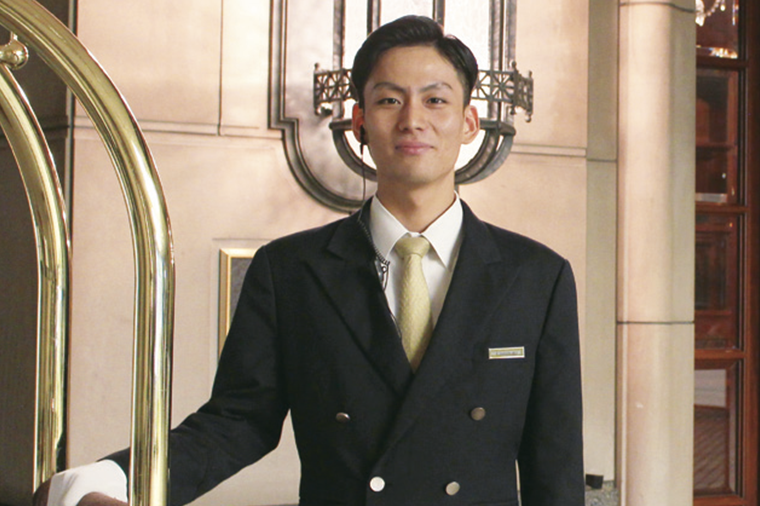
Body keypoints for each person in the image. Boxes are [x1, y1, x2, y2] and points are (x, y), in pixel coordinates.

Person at [36, 15, 584, 506]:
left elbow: (554, 467)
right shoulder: (289, 271)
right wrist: (114, 480)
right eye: (389, 100)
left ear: (469, 123)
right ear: (359, 122)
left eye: (435, 100)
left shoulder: (537, 277)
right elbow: (237, 422)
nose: (413, 120)